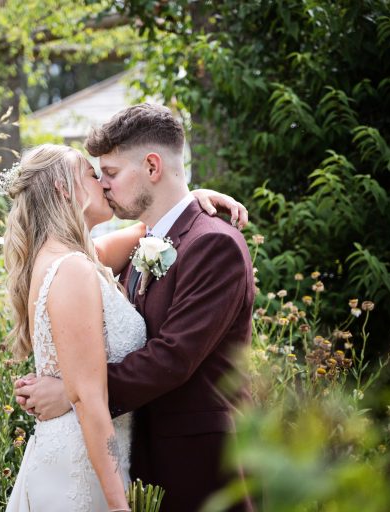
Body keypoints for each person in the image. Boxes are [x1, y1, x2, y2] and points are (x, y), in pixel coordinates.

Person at [14, 104, 256, 511]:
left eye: (109, 173)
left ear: (152, 167)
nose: (104, 186)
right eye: (96, 175)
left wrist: (74, 394)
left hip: (202, 465)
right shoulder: (123, 249)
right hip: (137, 463)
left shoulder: (214, 244)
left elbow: (173, 357)